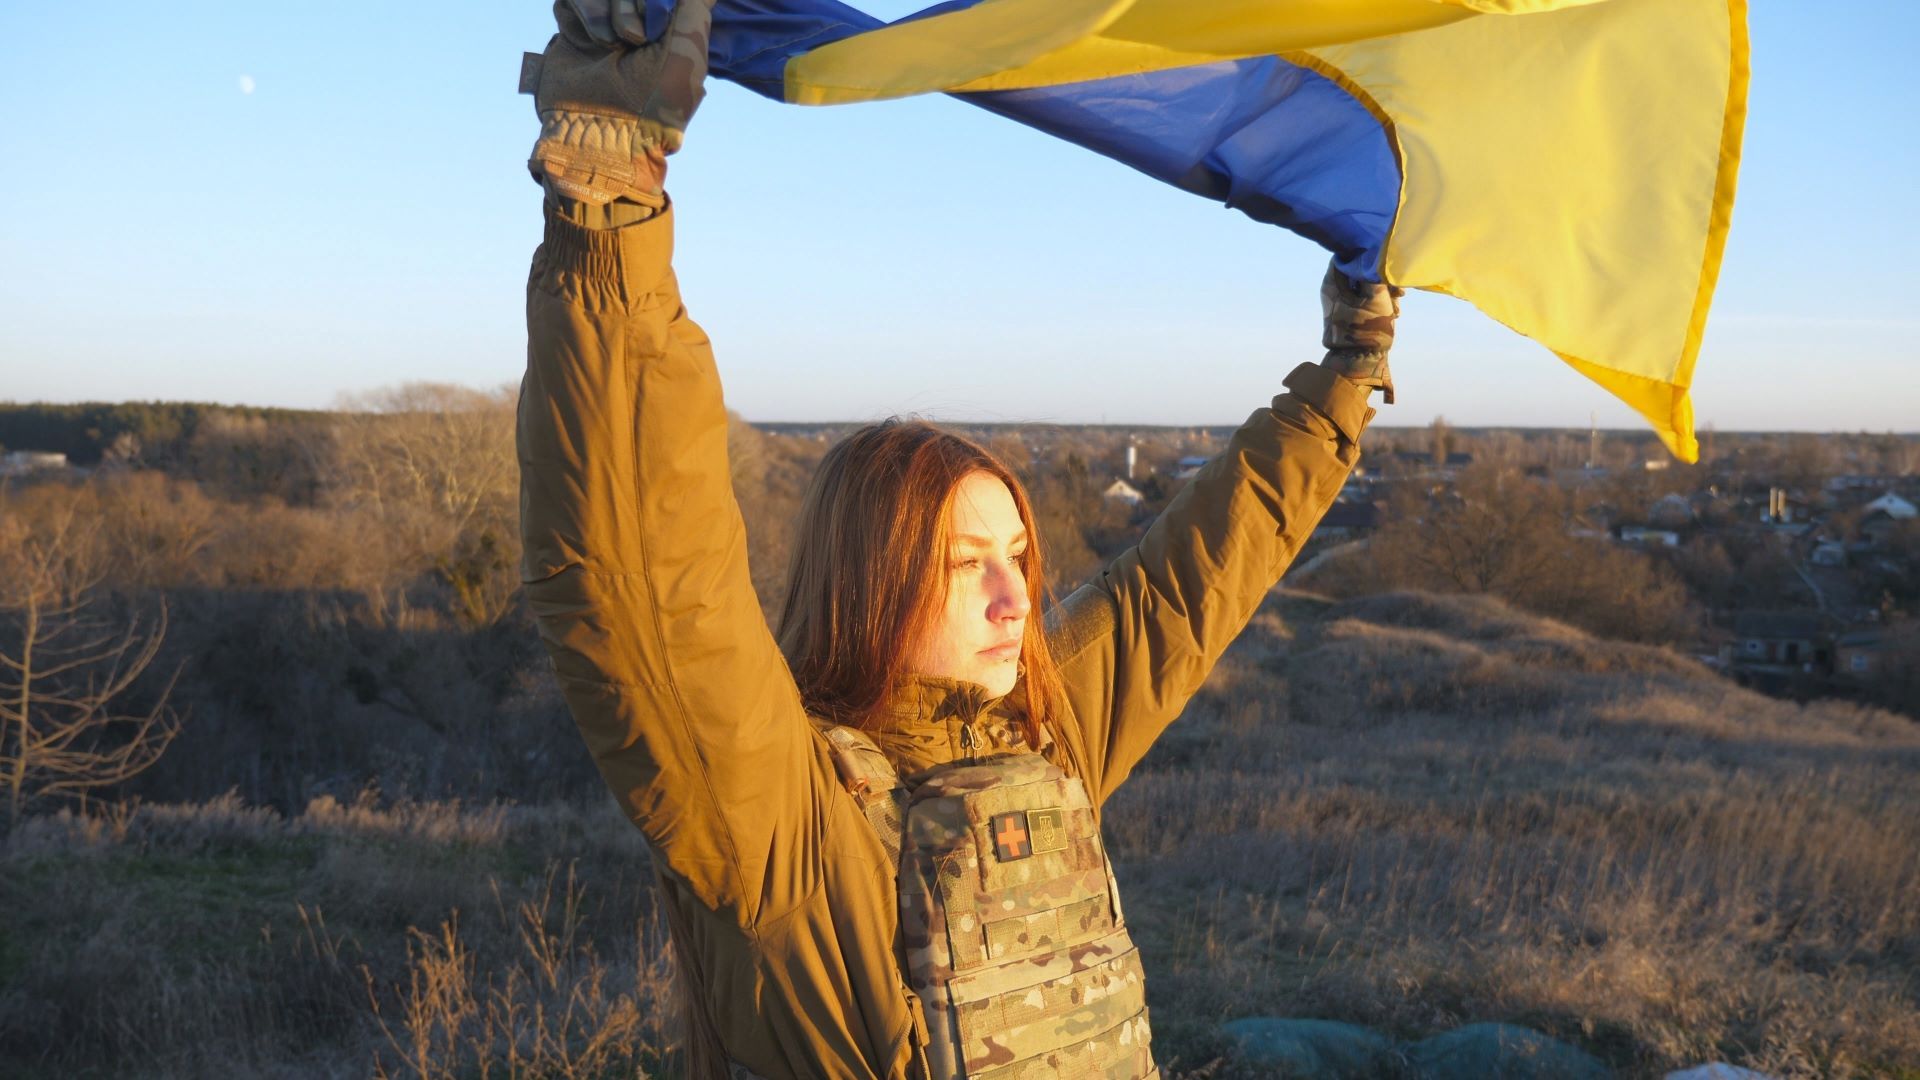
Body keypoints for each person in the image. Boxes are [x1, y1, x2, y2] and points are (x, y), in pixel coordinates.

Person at [515, 3, 1399, 1076]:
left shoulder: (1038, 737)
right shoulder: (780, 823)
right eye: (962, 563)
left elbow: (1186, 586)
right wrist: (608, 207)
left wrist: (1345, 377)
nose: (1016, 599)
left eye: (1018, 556)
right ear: (866, 583)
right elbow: (645, 578)